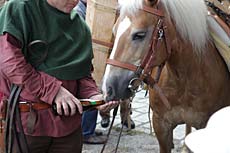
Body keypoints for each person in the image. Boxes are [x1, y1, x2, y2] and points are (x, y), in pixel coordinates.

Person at [0, 0, 118, 153]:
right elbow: (10, 62)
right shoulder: (20, 8)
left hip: (69, 129)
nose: (75, 0)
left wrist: (94, 96)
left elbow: (82, 74)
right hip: (27, 126)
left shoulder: (80, 27)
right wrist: (54, 91)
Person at [74, 0, 106, 144]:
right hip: (82, 61)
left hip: (91, 59)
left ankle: (88, 129)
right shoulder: (78, 12)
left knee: (93, 91)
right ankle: (86, 133)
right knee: (89, 94)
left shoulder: (92, 9)